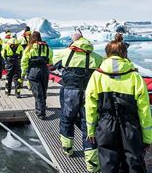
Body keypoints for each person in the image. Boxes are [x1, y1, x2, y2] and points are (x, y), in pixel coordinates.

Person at [85, 34, 152, 173]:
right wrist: (147, 137)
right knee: (134, 163)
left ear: (107, 53)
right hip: (130, 126)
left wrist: (91, 131)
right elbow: (144, 109)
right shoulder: (135, 76)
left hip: (105, 124)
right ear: (124, 53)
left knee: (108, 163)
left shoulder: (97, 75)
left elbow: (90, 106)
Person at [53, 34, 103, 172]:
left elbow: (54, 63)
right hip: (89, 94)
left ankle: (67, 149)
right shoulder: (97, 57)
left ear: (74, 42)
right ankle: (92, 165)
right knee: (89, 126)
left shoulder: (65, 53)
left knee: (66, 119)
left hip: (69, 92)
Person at [21, 31, 53, 119]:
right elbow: (50, 61)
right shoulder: (47, 47)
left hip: (33, 71)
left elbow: (24, 61)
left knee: (37, 92)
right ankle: (42, 107)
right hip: (44, 70)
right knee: (43, 89)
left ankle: (41, 113)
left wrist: (23, 73)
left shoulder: (29, 48)